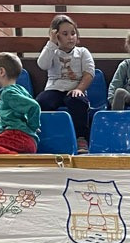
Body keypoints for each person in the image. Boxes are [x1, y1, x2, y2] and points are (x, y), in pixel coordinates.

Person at [36, 15, 95, 152]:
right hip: (54, 89)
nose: (70, 37)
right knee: (41, 102)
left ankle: (81, 138)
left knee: (78, 102)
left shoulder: (82, 52)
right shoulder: (51, 51)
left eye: (73, 33)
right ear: (56, 35)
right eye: (65, 34)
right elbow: (42, 65)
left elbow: (89, 73)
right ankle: (45, 137)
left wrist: (80, 89)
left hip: (74, 89)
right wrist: (51, 43)